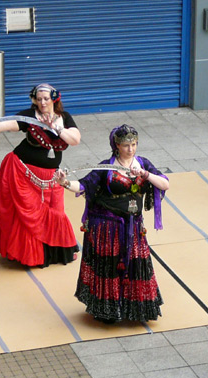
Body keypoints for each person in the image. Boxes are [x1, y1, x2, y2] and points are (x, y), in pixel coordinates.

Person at [55, 125, 169, 323]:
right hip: (108, 227)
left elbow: (165, 184)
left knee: (136, 264)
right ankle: (107, 310)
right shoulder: (106, 167)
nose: (130, 149)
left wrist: (145, 174)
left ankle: (137, 309)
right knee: (110, 267)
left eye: (133, 144)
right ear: (116, 146)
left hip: (134, 225)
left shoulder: (143, 164)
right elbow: (83, 186)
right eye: (126, 145)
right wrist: (64, 183)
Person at [0, 83, 81, 267]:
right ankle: (31, 256)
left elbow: (75, 140)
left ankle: (56, 253)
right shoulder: (29, 116)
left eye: (46, 98)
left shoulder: (64, 118)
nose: (42, 102)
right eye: (39, 99)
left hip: (52, 178)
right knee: (27, 215)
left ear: (54, 99)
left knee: (56, 212)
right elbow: (8, 123)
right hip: (23, 172)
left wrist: (56, 128)